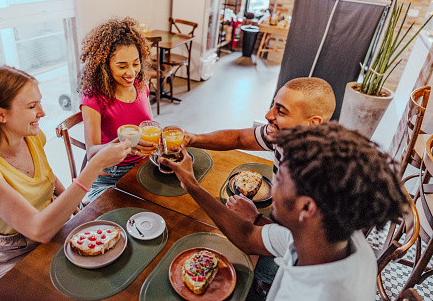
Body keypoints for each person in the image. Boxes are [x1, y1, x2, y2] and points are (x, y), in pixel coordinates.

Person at [162, 122, 408, 300]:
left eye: (280, 179)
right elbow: (247, 237)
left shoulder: (315, 295)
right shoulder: (331, 235)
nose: (273, 183)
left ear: (306, 206)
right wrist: (190, 184)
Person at [0, 66, 131, 283]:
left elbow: (48, 177)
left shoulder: (31, 138)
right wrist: (93, 167)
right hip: (14, 255)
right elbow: (38, 230)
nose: (42, 112)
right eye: (31, 106)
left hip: (57, 228)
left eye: (39, 102)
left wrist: (77, 210)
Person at [182, 77, 336, 295]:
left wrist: (254, 218)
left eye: (281, 111)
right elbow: (239, 138)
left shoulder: (316, 178)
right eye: (273, 105)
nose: (268, 115)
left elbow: (299, 246)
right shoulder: (285, 135)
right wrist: (193, 138)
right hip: (279, 227)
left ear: (313, 123)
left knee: (226, 256)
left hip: (299, 266)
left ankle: (262, 286)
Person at [79, 17, 157, 202]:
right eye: (122, 66)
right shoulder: (94, 98)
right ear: (105, 65)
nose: (131, 72)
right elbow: (92, 154)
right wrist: (125, 145)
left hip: (144, 166)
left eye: (136, 63)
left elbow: (149, 125)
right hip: (110, 175)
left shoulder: (141, 86)